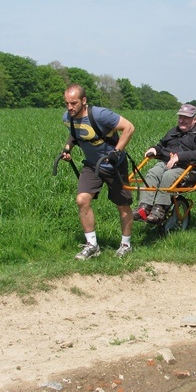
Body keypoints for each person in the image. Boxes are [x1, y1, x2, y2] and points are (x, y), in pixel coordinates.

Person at [61, 84, 135, 260]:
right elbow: (75, 133)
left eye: (74, 103)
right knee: (82, 200)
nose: (70, 107)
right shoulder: (68, 117)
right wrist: (67, 148)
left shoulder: (101, 115)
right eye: (67, 103)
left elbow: (129, 127)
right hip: (92, 165)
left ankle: (126, 245)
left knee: (122, 205)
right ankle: (92, 245)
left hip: (114, 166)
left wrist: (116, 152)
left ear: (84, 100)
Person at [132, 104, 196, 223]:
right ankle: (144, 207)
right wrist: (154, 149)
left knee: (168, 176)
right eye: (180, 117)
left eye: (186, 118)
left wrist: (180, 157)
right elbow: (161, 145)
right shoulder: (173, 131)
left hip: (190, 168)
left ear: (195, 119)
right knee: (152, 173)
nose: (182, 120)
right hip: (167, 163)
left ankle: (159, 209)